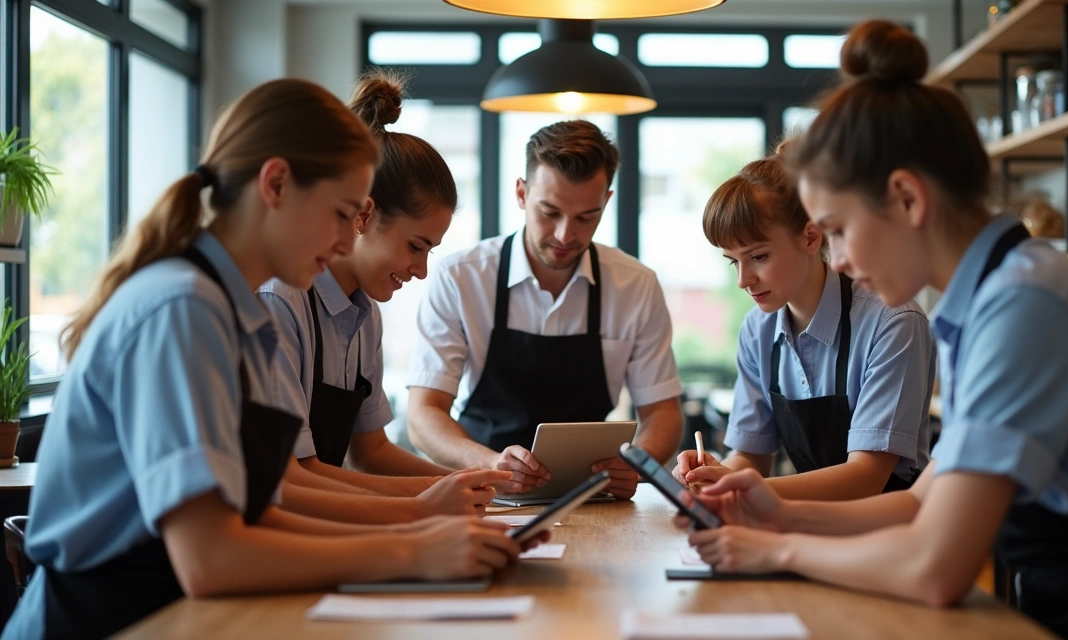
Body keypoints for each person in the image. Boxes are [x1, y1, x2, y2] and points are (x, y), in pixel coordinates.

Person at [678, 20, 1068, 639]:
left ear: (907, 199)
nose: (840, 259)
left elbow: (936, 568)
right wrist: (776, 510)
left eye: (841, 230)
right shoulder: (984, 302)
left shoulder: (1023, 306)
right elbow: (919, 501)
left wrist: (776, 547)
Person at [2, 79, 529, 640]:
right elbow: (210, 559)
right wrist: (411, 548)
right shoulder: (183, 309)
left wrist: (422, 533)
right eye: (342, 214)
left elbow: (263, 510)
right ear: (275, 184)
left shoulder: (238, 317)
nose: (346, 240)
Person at [259, 71, 502, 524]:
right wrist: (430, 499)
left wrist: (474, 484)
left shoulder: (365, 313)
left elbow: (370, 451)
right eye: (415, 246)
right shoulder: (280, 300)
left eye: (430, 251)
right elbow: (293, 477)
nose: (421, 270)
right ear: (364, 215)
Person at [406, 120, 684, 499]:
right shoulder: (460, 277)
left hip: (591, 496)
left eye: (586, 216)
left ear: (607, 202)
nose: (565, 235)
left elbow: (663, 413)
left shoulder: (636, 286)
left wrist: (638, 462)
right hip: (485, 494)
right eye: (550, 212)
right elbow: (423, 415)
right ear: (521, 193)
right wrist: (490, 464)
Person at [670, 155, 934, 501]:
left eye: (758, 257)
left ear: (810, 237)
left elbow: (866, 477)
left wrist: (741, 487)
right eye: (733, 261)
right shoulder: (757, 330)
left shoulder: (892, 322)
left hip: (892, 525)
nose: (743, 280)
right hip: (808, 520)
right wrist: (712, 475)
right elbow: (751, 456)